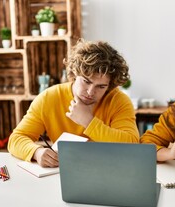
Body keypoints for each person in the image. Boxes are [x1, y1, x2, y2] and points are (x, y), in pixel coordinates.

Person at [8, 39, 139, 167]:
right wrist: (36, 152)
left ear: (109, 86)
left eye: (101, 87)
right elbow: (16, 139)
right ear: (75, 73)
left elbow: (132, 144)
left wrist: (89, 122)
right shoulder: (49, 98)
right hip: (62, 172)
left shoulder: (119, 100)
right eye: (86, 81)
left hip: (108, 169)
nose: (90, 92)